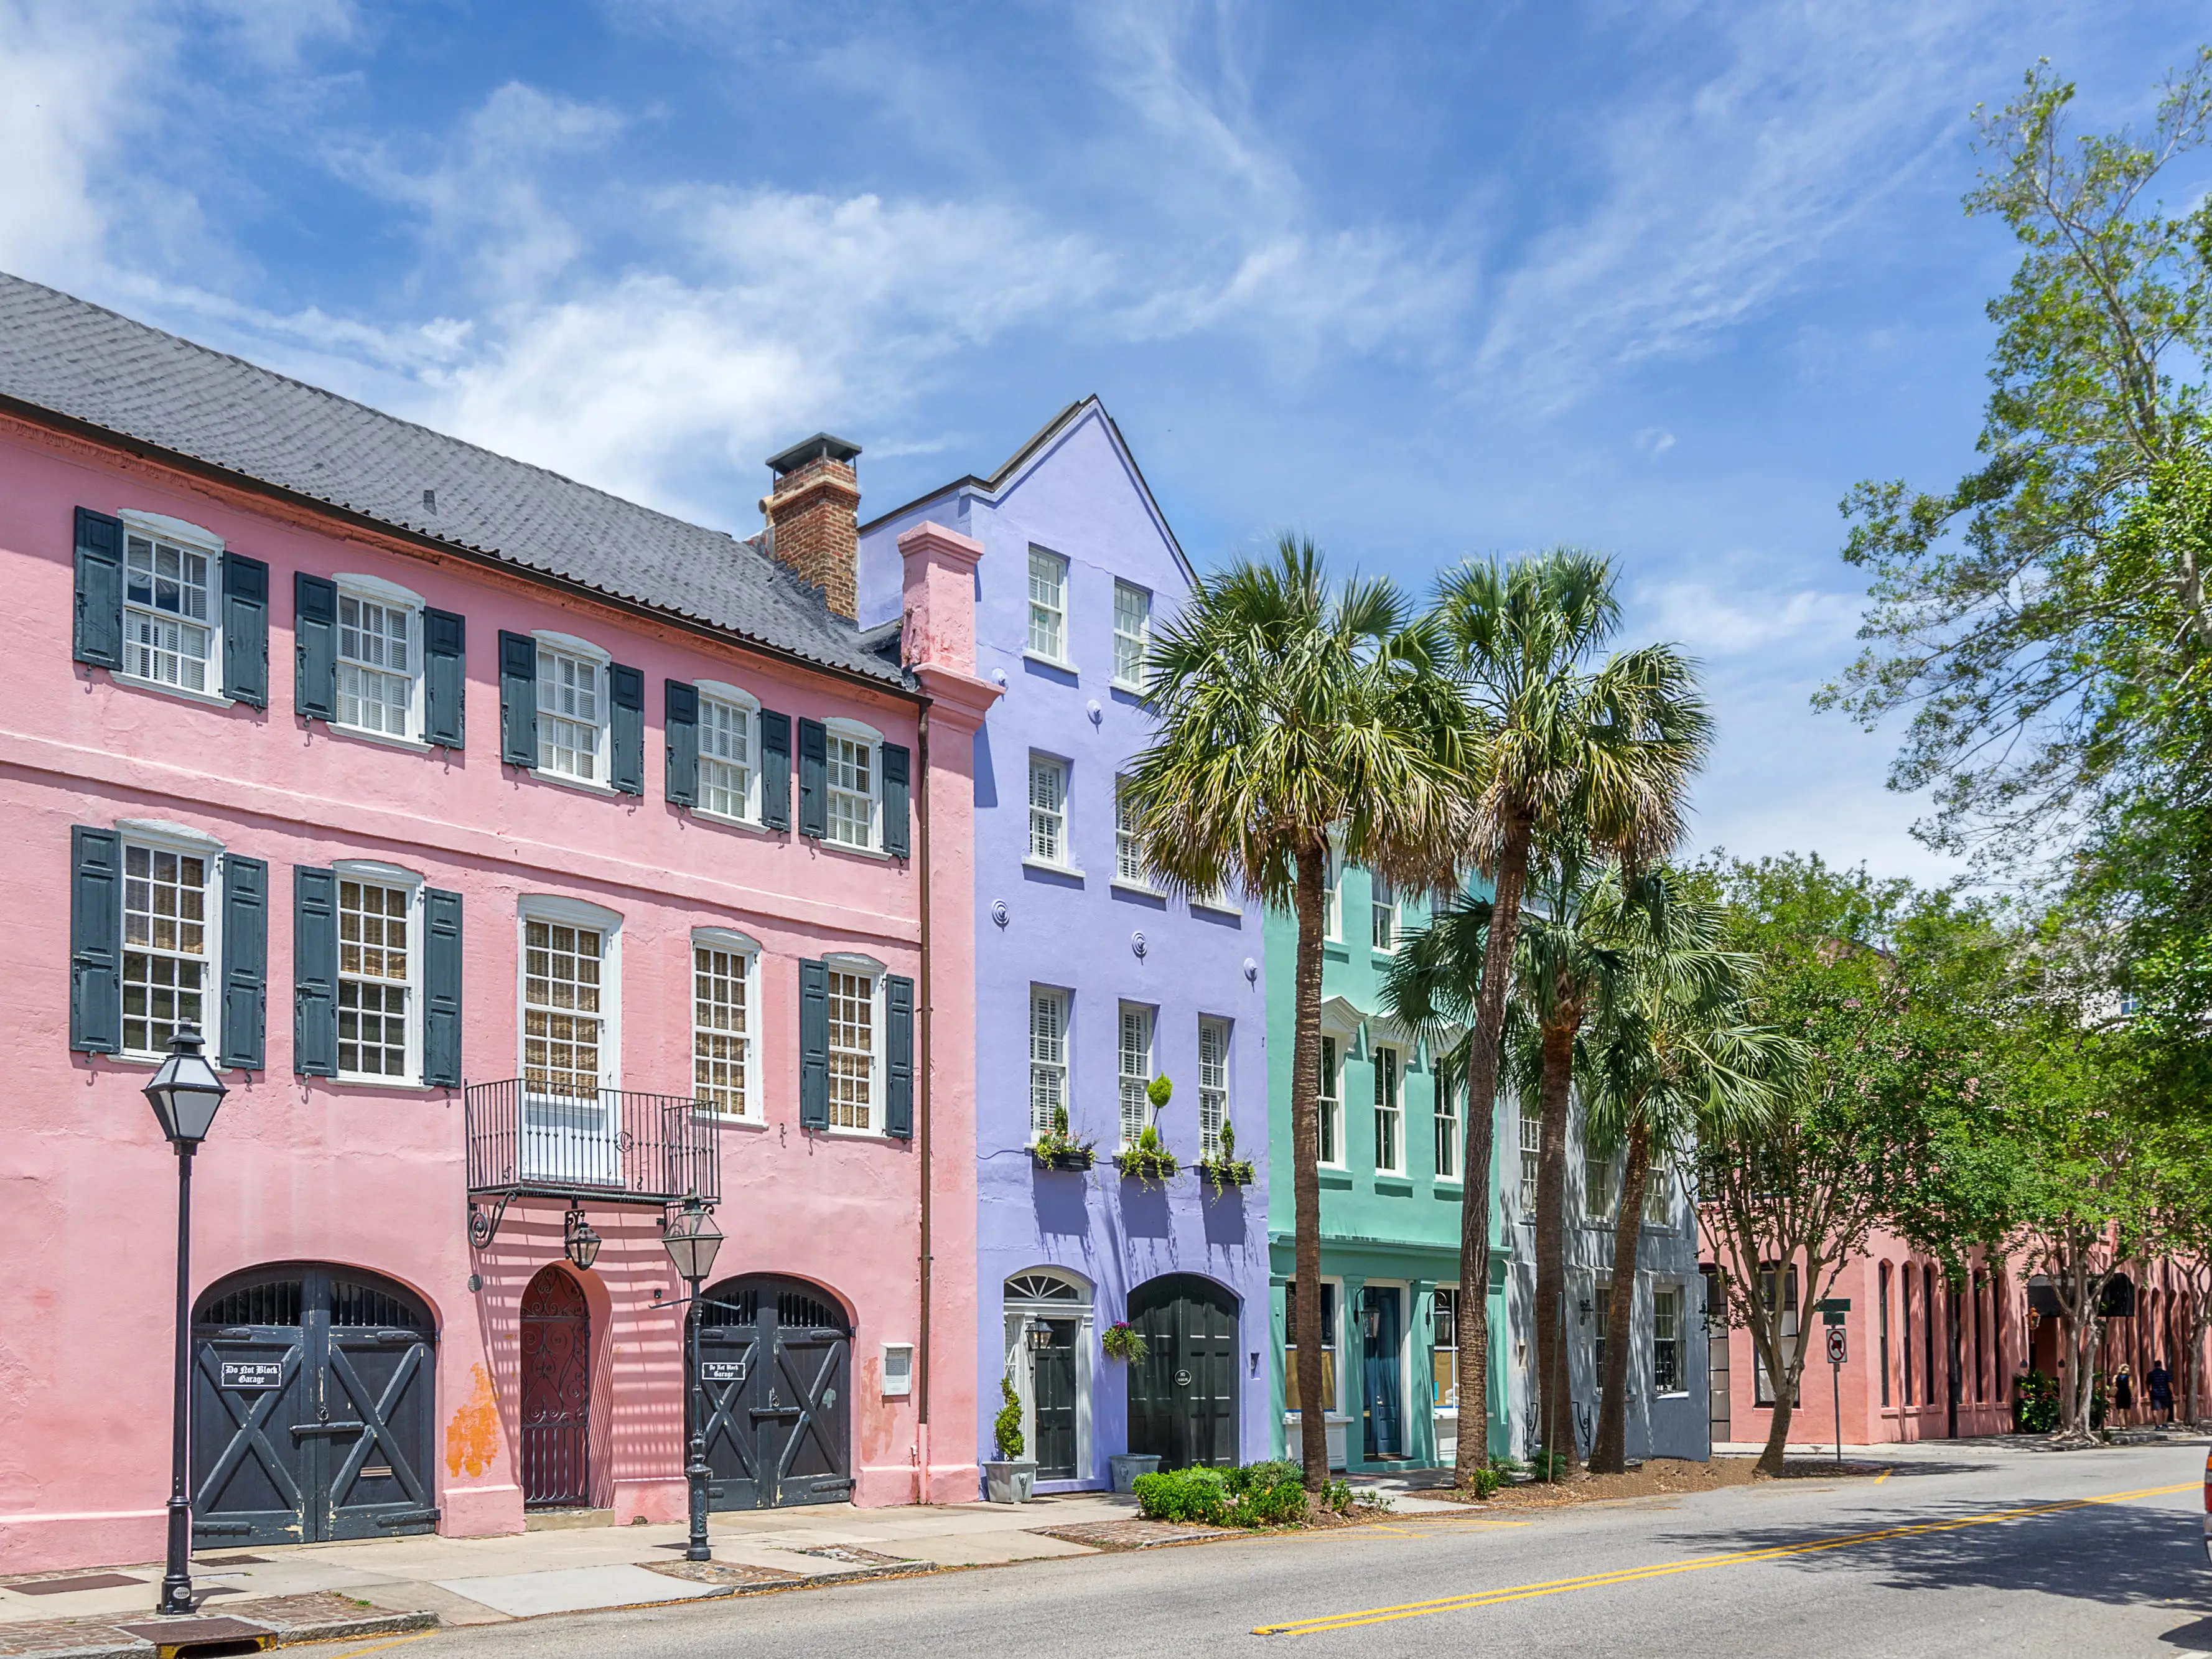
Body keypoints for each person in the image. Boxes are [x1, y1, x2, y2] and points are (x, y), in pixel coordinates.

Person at [2149, 1358, 2174, 1425]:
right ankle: (2164, 1423)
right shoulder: (2166, 1374)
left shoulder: (2151, 1374)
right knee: (2166, 1408)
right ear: (2161, 1365)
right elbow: (2170, 1384)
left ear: (2154, 1366)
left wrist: (2149, 1391)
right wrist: (2172, 1393)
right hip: (2165, 1394)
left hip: (2155, 1394)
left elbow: (2148, 1384)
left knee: (2154, 1410)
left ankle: (2157, 1425)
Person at [2112, 1363, 2135, 1427]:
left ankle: (2121, 1426)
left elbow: (2114, 1385)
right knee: (2127, 1410)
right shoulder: (2129, 1378)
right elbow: (2130, 1386)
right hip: (2126, 1394)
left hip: (2119, 1394)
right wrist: (2133, 1395)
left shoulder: (2116, 1377)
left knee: (2120, 1411)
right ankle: (2127, 1426)